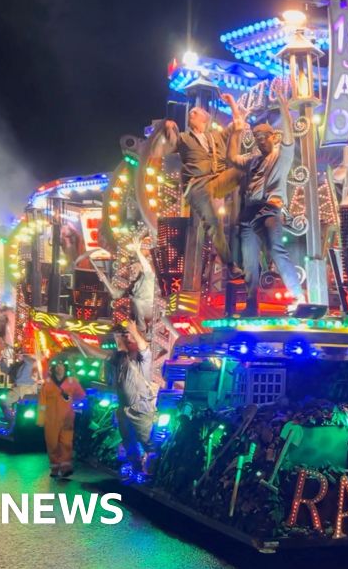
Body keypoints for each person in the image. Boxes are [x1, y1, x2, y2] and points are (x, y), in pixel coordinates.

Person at [228, 89, 305, 316]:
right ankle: (251, 303)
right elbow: (232, 158)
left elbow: (290, 140)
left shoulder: (281, 154)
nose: (261, 142)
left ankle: (299, 296)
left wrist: (284, 109)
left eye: (264, 137)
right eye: (257, 138)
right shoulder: (253, 160)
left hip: (269, 208)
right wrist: (236, 130)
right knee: (249, 260)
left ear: (273, 137)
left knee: (274, 247)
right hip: (249, 212)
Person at [163, 94, 247, 280]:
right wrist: (169, 129)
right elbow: (170, 147)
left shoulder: (215, 136)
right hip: (197, 186)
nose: (191, 114)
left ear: (205, 119)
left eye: (195, 113)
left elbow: (238, 123)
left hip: (217, 179)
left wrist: (232, 102)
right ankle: (230, 265)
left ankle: (252, 207)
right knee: (215, 224)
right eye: (191, 113)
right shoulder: (184, 138)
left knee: (245, 169)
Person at [110, 321, 159, 476]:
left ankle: (152, 474)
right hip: (124, 409)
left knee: (148, 443)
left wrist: (134, 331)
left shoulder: (142, 361)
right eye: (125, 336)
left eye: (129, 336)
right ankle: (137, 469)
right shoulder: (121, 361)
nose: (127, 339)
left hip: (140, 408)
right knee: (128, 441)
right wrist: (119, 337)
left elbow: (144, 348)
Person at [37, 360, 86, 478]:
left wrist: (77, 408)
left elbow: (81, 396)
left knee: (66, 443)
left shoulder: (72, 382)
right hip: (51, 419)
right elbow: (42, 403)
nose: (59, 368)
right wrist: (40, 419)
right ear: (53, 369)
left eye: (61, 366)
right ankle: (54, 468)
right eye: (57, 366)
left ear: (65, 368)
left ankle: (65, 468)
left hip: (67, 419)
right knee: (52, 444)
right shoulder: (47, 384)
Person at [3, 351, 39, 420]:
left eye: (20, 356)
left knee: (26, 406)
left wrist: (24, 356)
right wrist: (2, 360)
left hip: (27, 387)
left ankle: (26, 420)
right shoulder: (19, 365)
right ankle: (10, 417)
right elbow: (7, 370)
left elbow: (29, 361)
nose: (18, 357)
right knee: (6, 400)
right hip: (18, 387)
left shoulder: (31, 363)